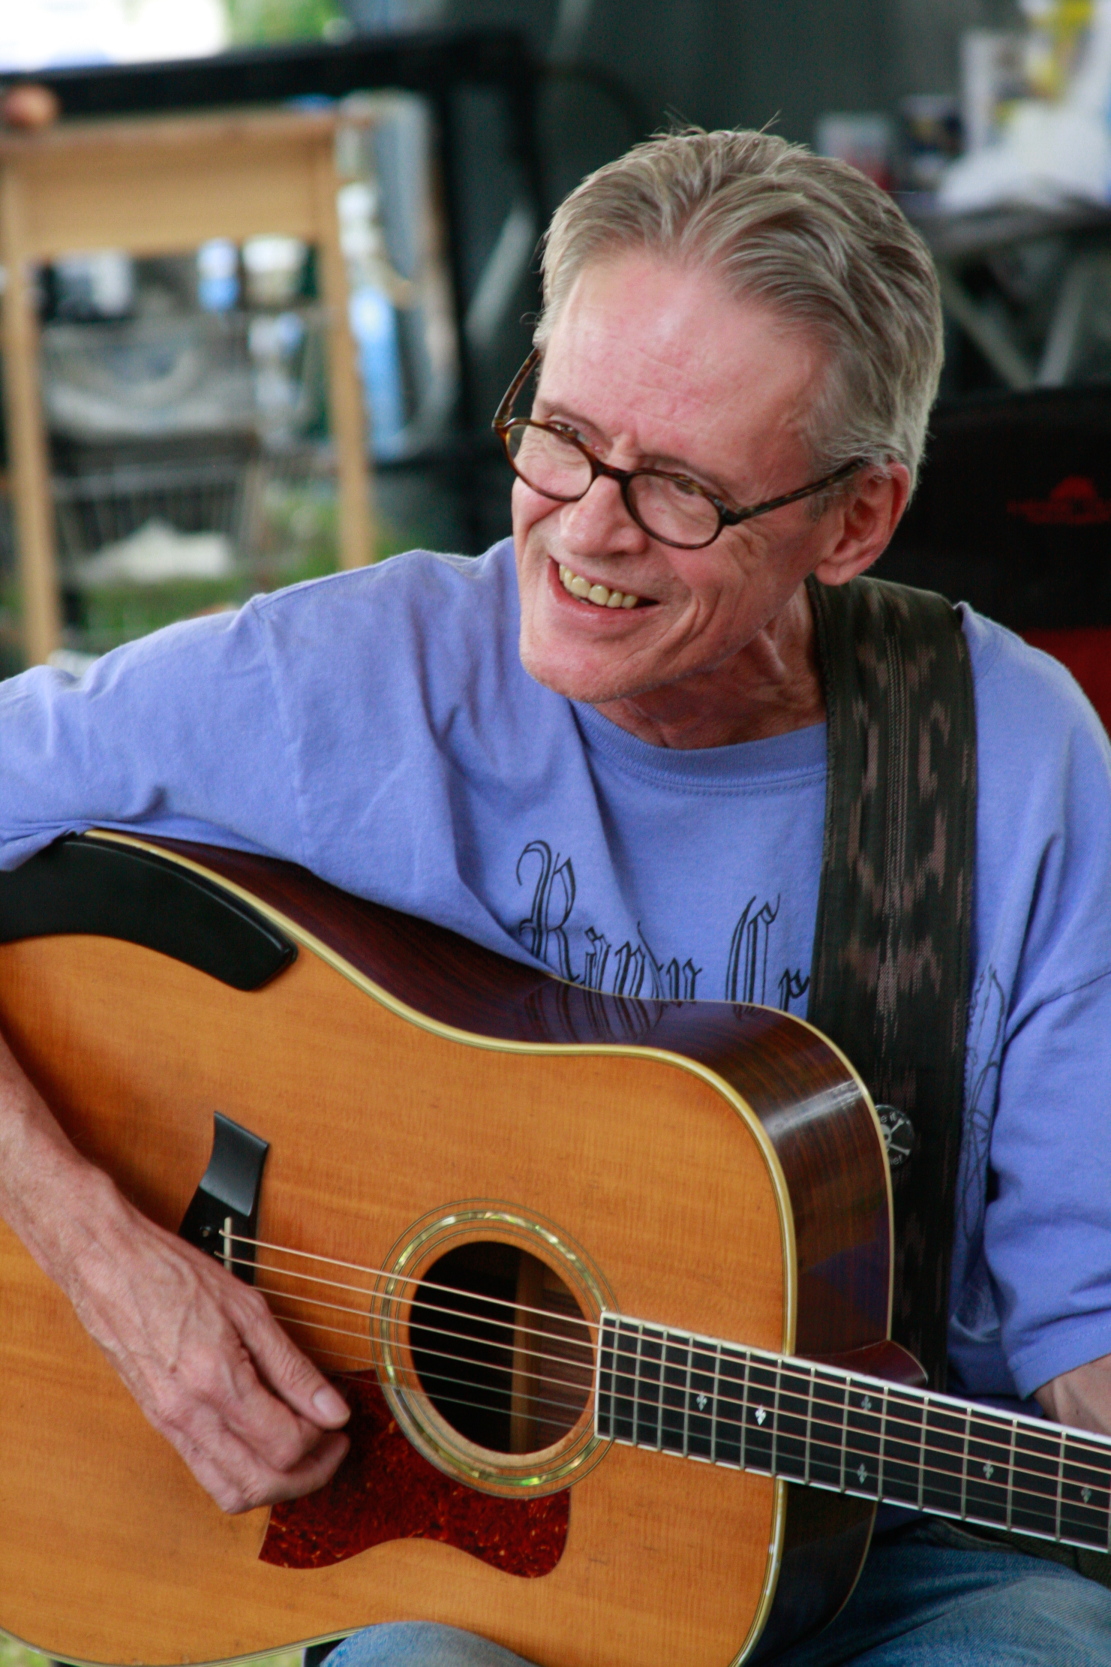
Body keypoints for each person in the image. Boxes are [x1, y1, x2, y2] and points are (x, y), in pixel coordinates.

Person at [3, 128, 1111, 1665]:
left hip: (907, 1549)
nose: (586, 528)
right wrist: (107, 1259)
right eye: (564, 436)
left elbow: (1080, 1321)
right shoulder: (356, 683)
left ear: (855, 521)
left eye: (681, 491)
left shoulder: (1002, 753)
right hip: (468, 1575)